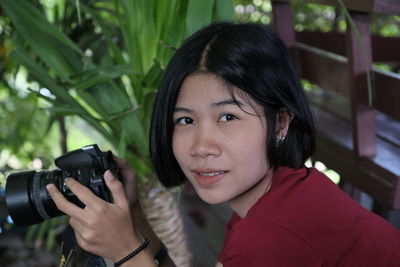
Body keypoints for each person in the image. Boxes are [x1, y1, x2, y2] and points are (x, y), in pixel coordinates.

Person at [47, 22, 400, 267]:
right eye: (185, 120)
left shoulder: (271, 236)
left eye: (228, 117)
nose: (201, 146)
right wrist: (133, 217)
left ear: (280, 122)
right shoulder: (282, 195)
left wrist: (125, 251)